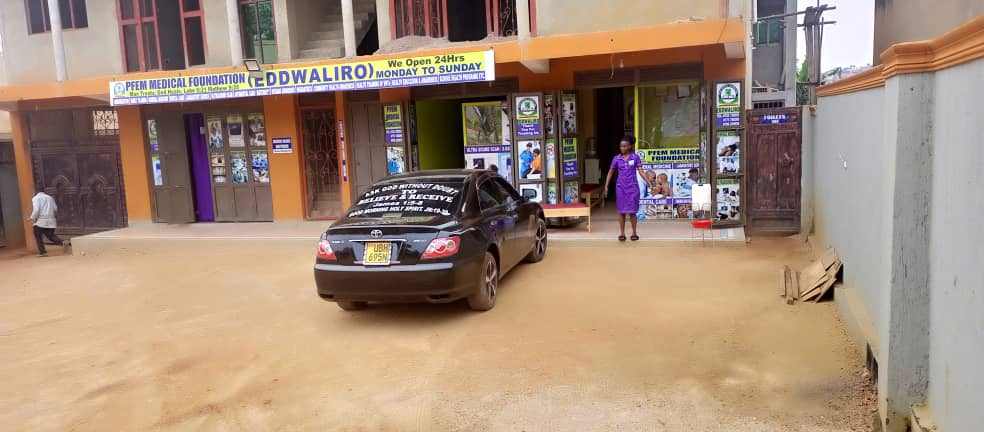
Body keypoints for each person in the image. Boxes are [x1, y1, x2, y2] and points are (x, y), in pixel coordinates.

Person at [604, 136, 652, 241]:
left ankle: (634, 233)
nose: (622, 148)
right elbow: (610, 172)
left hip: (633, 188)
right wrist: (606, 186)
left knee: (632, 212)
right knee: (621, 212)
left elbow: (641, 171)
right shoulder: (616, 159)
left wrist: (648, 182)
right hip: (620, 188)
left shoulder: (635, 157)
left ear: (630, 146)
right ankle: (622, 234)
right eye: (621, 146)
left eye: (624, 146)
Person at [28, 191, 67, 257]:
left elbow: (36, 210)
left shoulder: (36, 198)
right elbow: (55, 209)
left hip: (41, 221)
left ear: (34, 193)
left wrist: (32, 217)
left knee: (38, 236)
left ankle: (42, 252)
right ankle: (63, 243)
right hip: (51, 220)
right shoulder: (50, 198)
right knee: (51, 236)